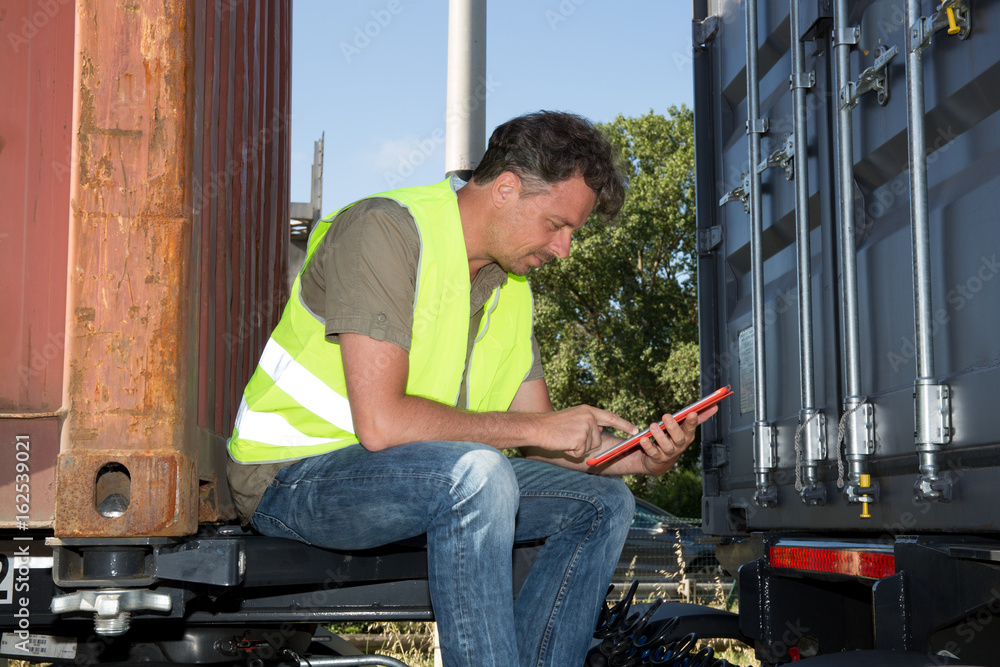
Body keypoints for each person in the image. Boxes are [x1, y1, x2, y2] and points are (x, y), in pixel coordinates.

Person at [226, 111, 716, 667]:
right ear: (506, 188)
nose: (564, 249)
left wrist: (640, 461)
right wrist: (536, 429)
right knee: (478, 473)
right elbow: (384, 424)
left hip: (411, 477)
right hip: (292, 477)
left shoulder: (512, 291)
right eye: (558, 225)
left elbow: (542, 444)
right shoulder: (383, 231)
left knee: (603, 503)